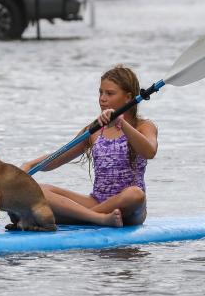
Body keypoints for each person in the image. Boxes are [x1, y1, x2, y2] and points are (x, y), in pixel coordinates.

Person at [21, 65, 157, 228]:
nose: (102, 98)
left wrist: (121, 123)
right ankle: (97, 218)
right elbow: (58, 157)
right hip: (97, 201)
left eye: (109, 93)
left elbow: (149, 151)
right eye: (100, 92)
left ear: (128, 97)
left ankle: (77, 218)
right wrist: (29, 165)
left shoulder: (143, 126)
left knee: (135, 194)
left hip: (131, 208)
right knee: (39, 190)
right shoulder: (94, 130)